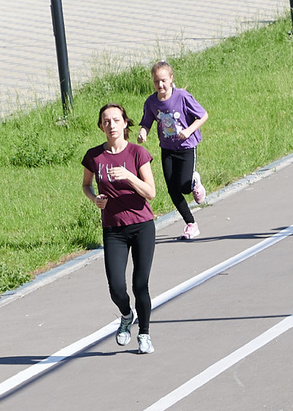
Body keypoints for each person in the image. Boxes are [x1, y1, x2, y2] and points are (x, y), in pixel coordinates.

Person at [80, 102, 159, 352]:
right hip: (113, 228)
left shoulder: (137, 153)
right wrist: (95, 199)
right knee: (116, 286)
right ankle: (126, 315)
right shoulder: (94, 156)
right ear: (101, 126)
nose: (111, 125)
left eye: (116, 120)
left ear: (125, 123)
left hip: (142, 225)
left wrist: (129, 176)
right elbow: (86, 185)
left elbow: (151, 193)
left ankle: (144, 334)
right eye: (106, 121)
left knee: (140, 284)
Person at [138, 59, 207, 240]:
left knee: (184, 187)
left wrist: (189, 130)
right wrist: (143, 133)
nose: (160, 85)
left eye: (163, 80)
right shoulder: (151, 102)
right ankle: (191, 223)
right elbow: (146, 122)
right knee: (172, 188)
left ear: (171, 79)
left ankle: (194, 181)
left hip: (186, 146)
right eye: (156, 81)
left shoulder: (182, 96)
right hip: (167, 148)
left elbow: (203, 115)